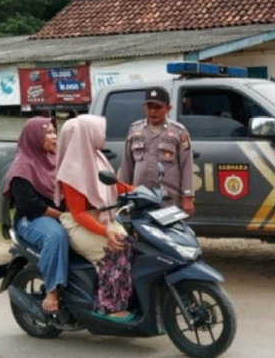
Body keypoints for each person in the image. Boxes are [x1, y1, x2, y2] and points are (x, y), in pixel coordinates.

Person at [55, 114, 135, 321]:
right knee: (115, 252)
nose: (104, 135)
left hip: (103, 219)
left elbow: (115, 186)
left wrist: (143, 192)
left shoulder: (98, 158)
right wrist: (104, 232)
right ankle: (108, 307)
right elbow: (79, 213)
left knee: (133, 246)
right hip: (80, 225)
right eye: (100, 131)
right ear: (88, 135)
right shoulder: (72, 170)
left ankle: (126, 298)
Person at [3, 117, 67, 314]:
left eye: (54, 131)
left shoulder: (54, 159)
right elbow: (29, 205)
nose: (54, 136)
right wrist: (62, 216)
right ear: (34, 137)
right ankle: (52, 291)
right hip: (31, 220)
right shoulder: (22, 167)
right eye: (48, 132)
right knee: (55, 236)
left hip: (55, 215)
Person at [119, 86, 195, 216]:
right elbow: (127, 165)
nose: (153, 111)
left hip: (168, 200)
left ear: (168, 108)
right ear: (144, 108)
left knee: (169, 235)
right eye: (149, 107)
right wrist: (123, 195)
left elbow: (186, 166)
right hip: (140, 198)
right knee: (142, 234)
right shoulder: (135, 130)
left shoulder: (179, 132)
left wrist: (188, 197)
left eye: (158, 107)